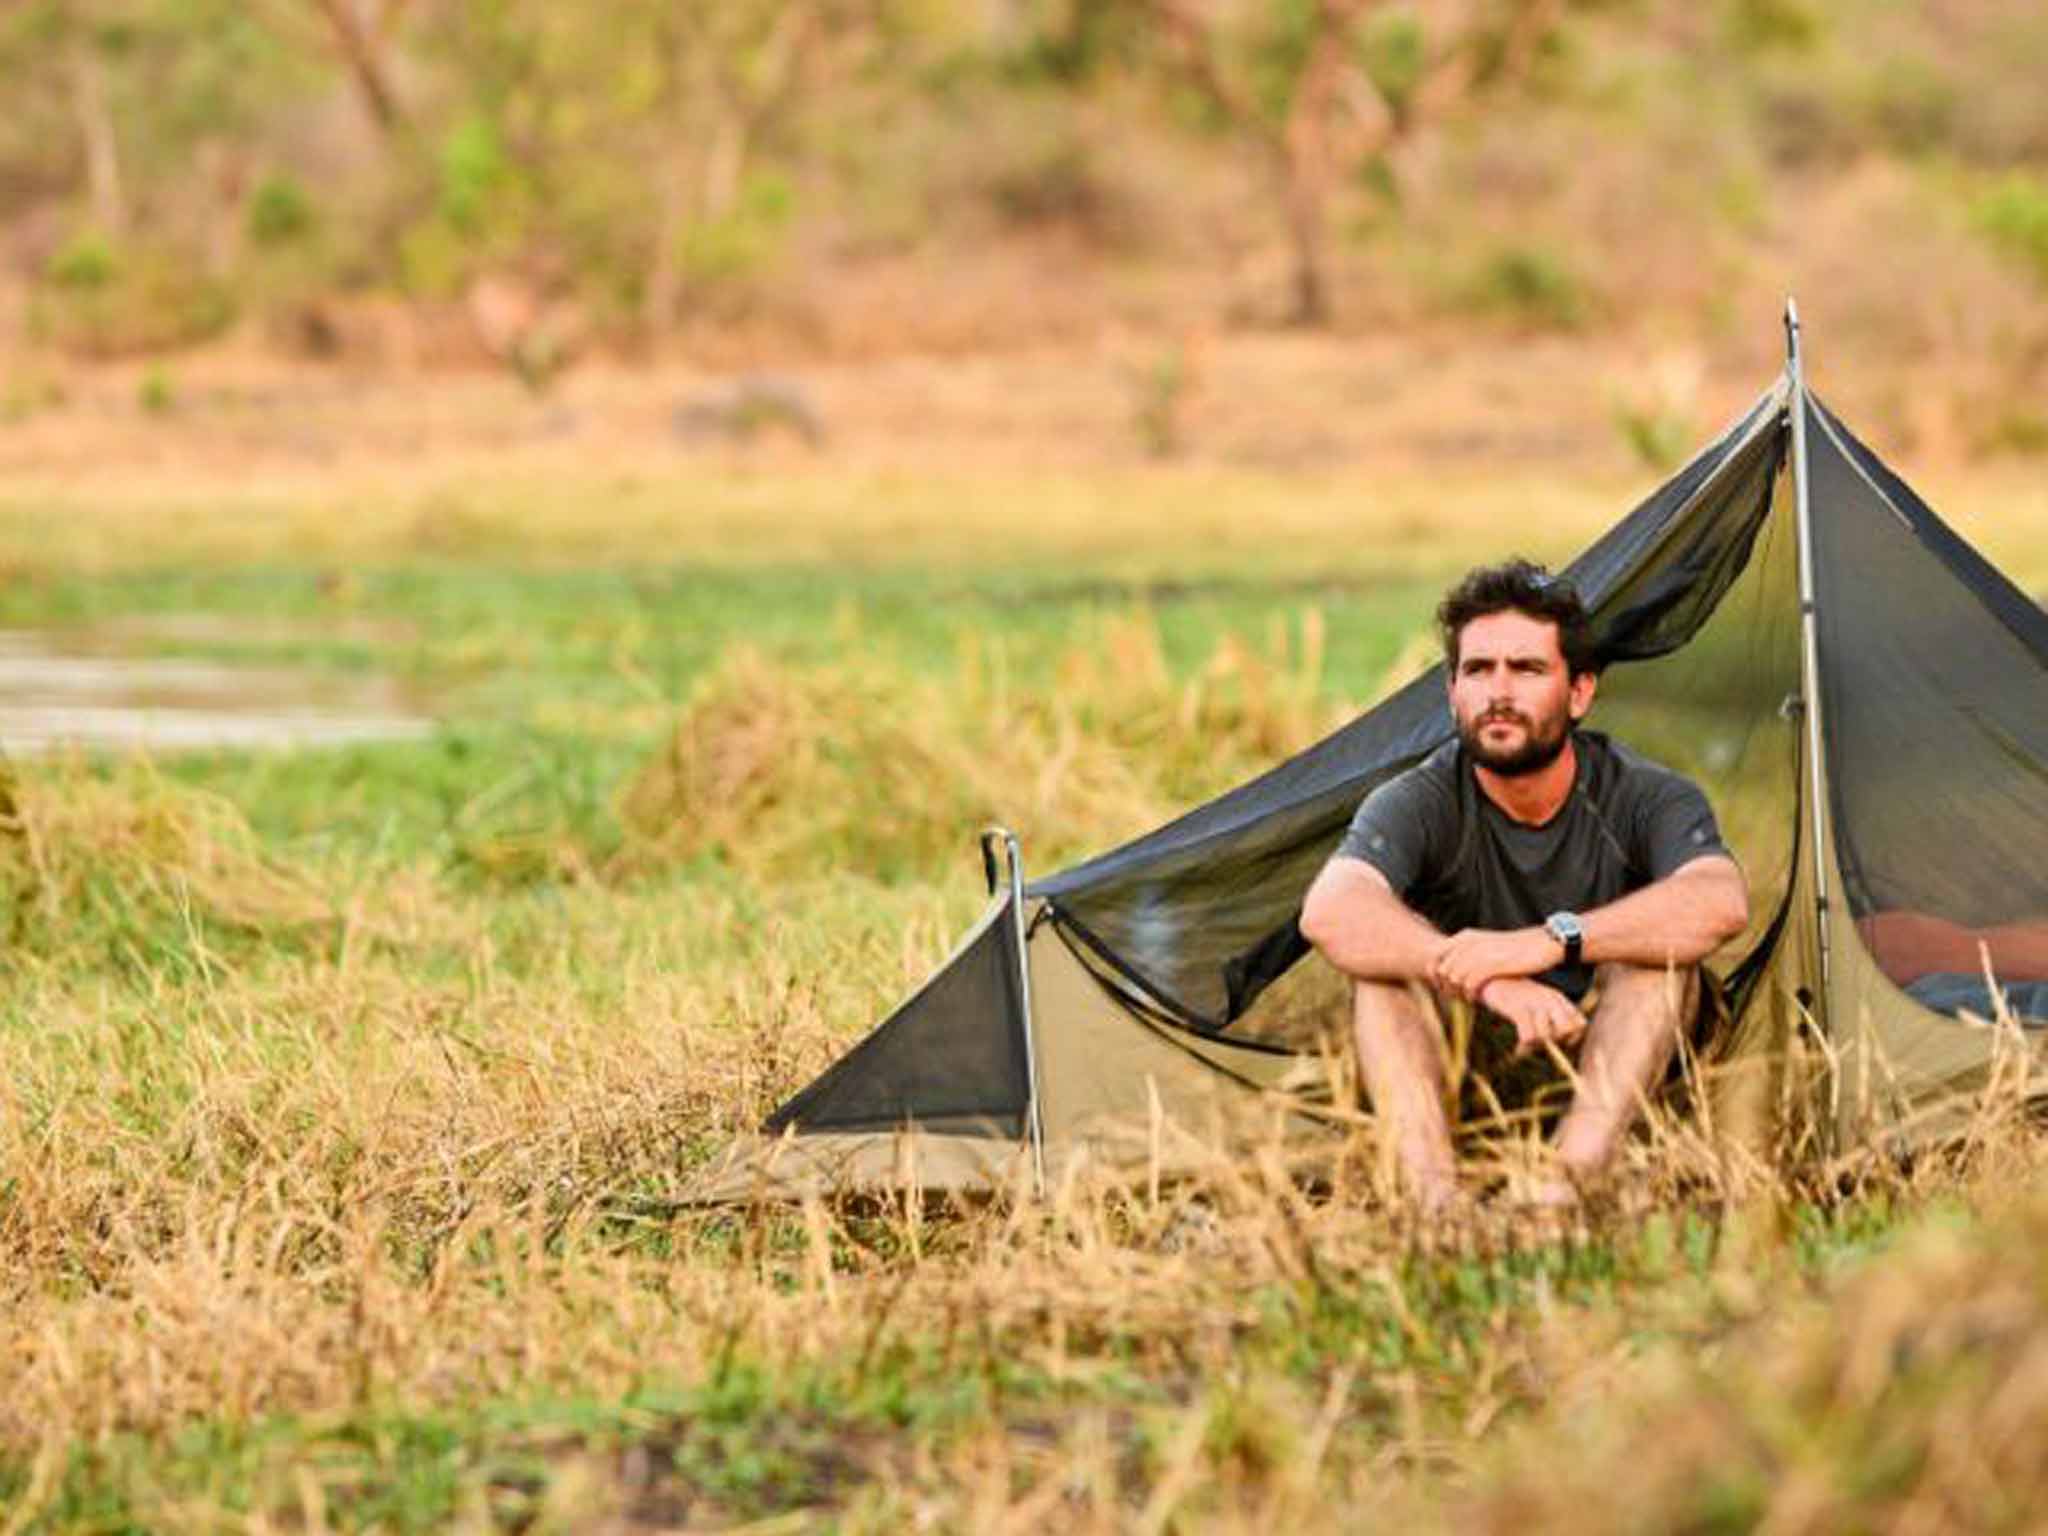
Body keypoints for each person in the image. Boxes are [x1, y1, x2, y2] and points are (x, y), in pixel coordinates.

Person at [1299, 559, 1749, 1207]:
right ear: (1452, 692)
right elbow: (1332, 910)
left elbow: (1718, 900)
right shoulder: (1420, 797)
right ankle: (1436, 1206)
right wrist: (1486, 976)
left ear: (1580, 693)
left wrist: (1549, 942)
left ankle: (1560, 1192)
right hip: (1479, 1065)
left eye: (1528, 669)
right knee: (1380, 981)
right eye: (1478, 670)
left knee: (1658, 965)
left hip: (1619, 1065)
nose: (1499, 692)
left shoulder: (1646, 793)